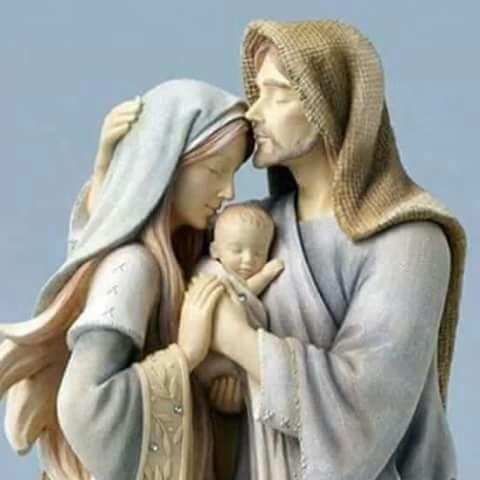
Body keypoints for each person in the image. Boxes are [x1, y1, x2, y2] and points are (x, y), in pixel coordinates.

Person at [0, 79, 262, 480]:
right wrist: (185, 356)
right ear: (167, 164)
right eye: (215, 171)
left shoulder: (179, 259)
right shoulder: (132, 268)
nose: (228, 191)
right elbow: (83, 406)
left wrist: (217, 392)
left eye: (231, 174)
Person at [194, 202, 283, 415]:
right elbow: (238, 296)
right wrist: (265, 275)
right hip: (212, 358)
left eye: (259, 253)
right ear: (215, 250)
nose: (248, 260)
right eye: (237, 250)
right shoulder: (210, 273)